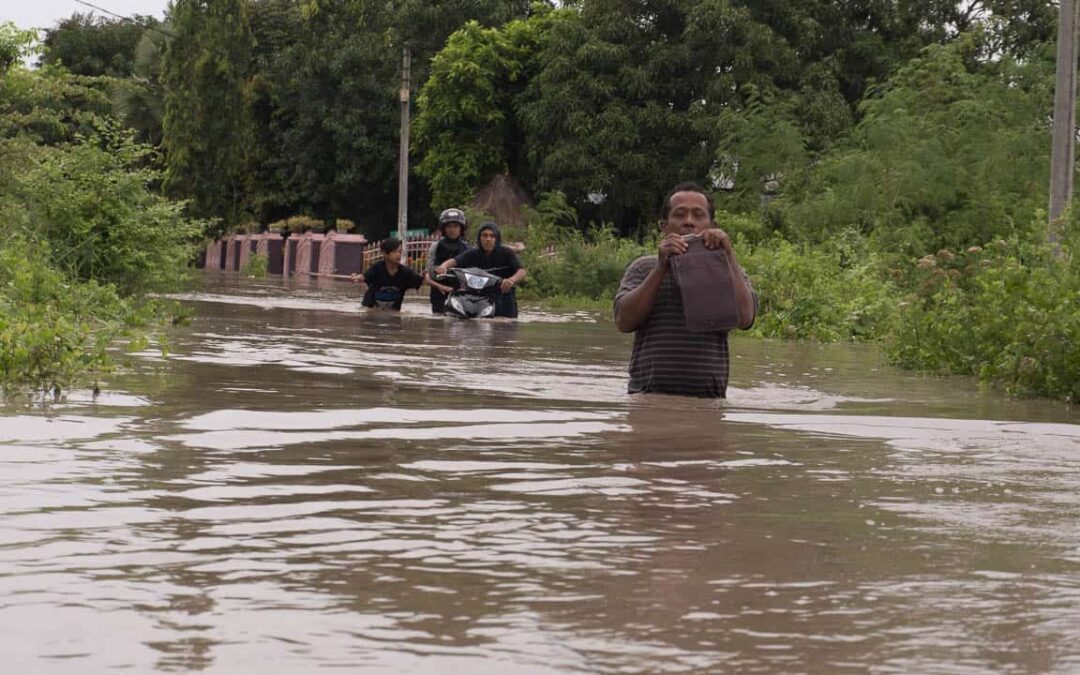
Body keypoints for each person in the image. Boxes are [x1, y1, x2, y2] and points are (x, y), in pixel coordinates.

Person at [614, 182, 757, 398]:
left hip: (708, 403)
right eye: (679, 215)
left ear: (712, 225)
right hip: (646, 399)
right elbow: (624, 322)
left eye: (698, 215)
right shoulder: (643, 267)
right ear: (664, 226)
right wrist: (661, 268)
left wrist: (728, 256)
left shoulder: (729, 269)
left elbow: (746, 318)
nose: (689, 222)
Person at [435, 222, 527, 318]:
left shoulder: (507, 253)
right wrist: (443, 266)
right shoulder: (472, 253)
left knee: (506, 327)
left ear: (496, 239)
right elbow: (455, 261)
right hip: (481, 298)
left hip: (504, 298)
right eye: (485, 235)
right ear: (479, 238)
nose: (488, 239)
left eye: (492, 236)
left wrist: (511, 280)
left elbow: (521, 271)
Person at [359, 238, 451, 311]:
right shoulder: (376, 268)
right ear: (384, 253)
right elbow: (364, 277)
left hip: (393, 312)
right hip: (370, 310)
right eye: (395, 252)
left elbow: (424, 281)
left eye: (400, 252)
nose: (398, 255)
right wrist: (357, 277)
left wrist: (440, 286)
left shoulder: (405, 273)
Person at [426, 208, 471, 314]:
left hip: (460, 291)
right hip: (439, 291)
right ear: (443, 228)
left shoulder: (467, 248)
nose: (452, 230)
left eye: (455, 226)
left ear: (461, 228)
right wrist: (439, 271)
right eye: (449, 226)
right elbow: (430, 269)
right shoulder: (436, 246)